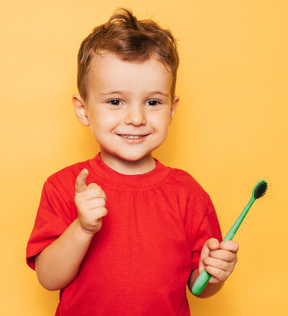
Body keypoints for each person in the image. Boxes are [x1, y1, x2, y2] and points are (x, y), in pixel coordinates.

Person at [26, 8, 239, 315]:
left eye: (153, 102)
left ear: (172, 109)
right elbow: (48, 277)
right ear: (83, 109)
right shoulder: (64, 187)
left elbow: (198, 287)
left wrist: (215, 271)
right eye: (115, 101)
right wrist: (82, 228)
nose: (136, 118)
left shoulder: (188, 193)